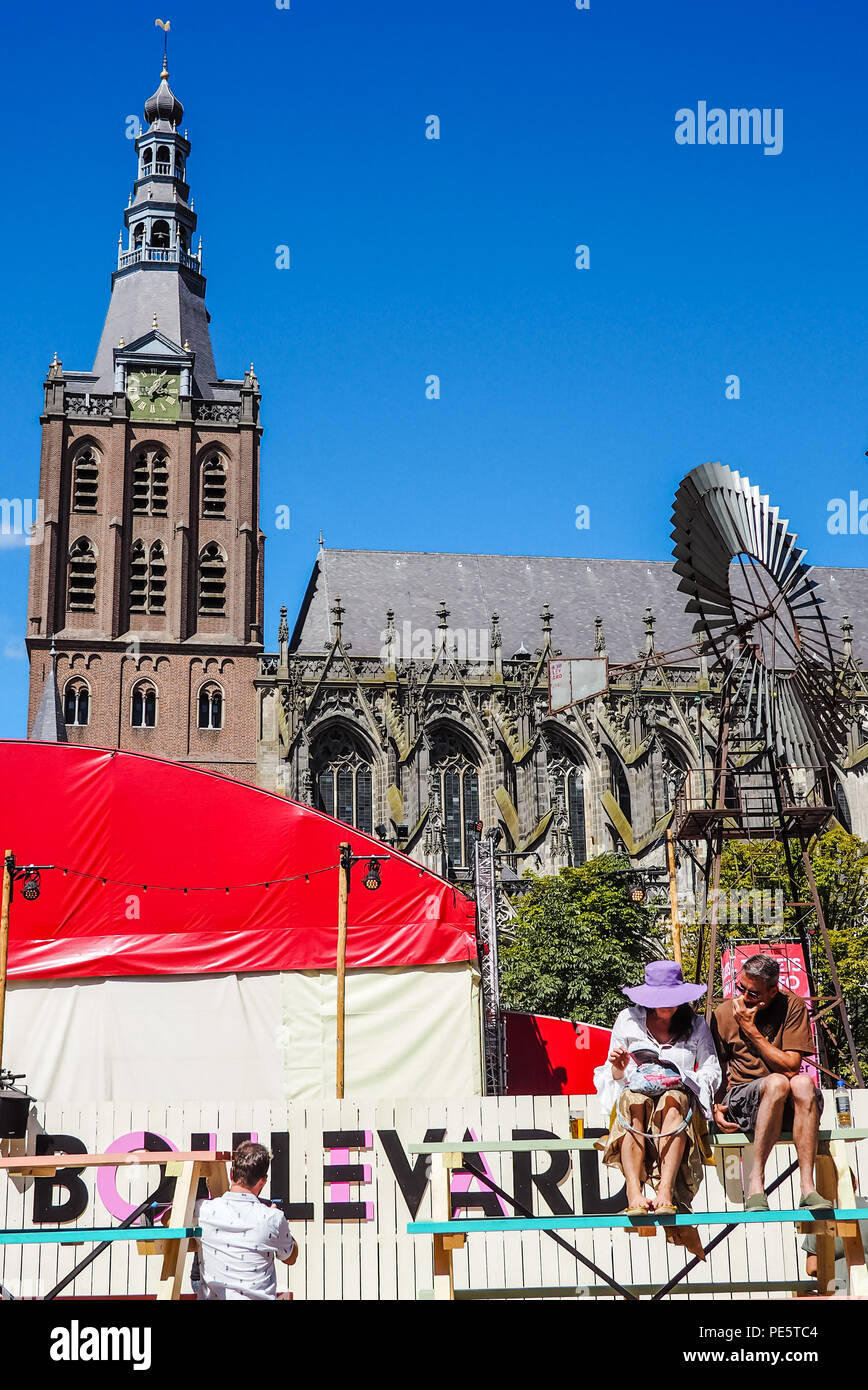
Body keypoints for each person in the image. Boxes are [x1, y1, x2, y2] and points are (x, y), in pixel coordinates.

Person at [594, 960, 721, 1249]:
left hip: (678, 1102)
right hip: (635, 1101)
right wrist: (620, 1067)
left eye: (672, 1001)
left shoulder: (696, 1024)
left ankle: (665, 1189)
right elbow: (611, 1076)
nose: (666, 1007)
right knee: (633, 1101)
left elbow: (711, 1070)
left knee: (673, 1100)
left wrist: (681, 1076)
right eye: (660, 1001)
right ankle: (634, 1192)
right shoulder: (627, 1019)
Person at [711, 953, 824, 1212]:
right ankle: (756, 1184)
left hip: (786, 1104)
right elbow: (714, 1068)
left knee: (802, 1083)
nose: (744, 997)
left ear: (774, 990)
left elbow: (791, 1065)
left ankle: (808, 1187)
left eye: (753, 993)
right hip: (743, 1101)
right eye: (741, 988)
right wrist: (715, 1105)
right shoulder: (724, 1013)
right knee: (777, 1083)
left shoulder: (791, 1006)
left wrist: (751, 1031)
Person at [194, 1140, 298, 1300]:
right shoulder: (273, 1218)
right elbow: (291, 1257)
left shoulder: (202, 1211)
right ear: (262, 1181)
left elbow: (169, 1219)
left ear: (231, 1173)